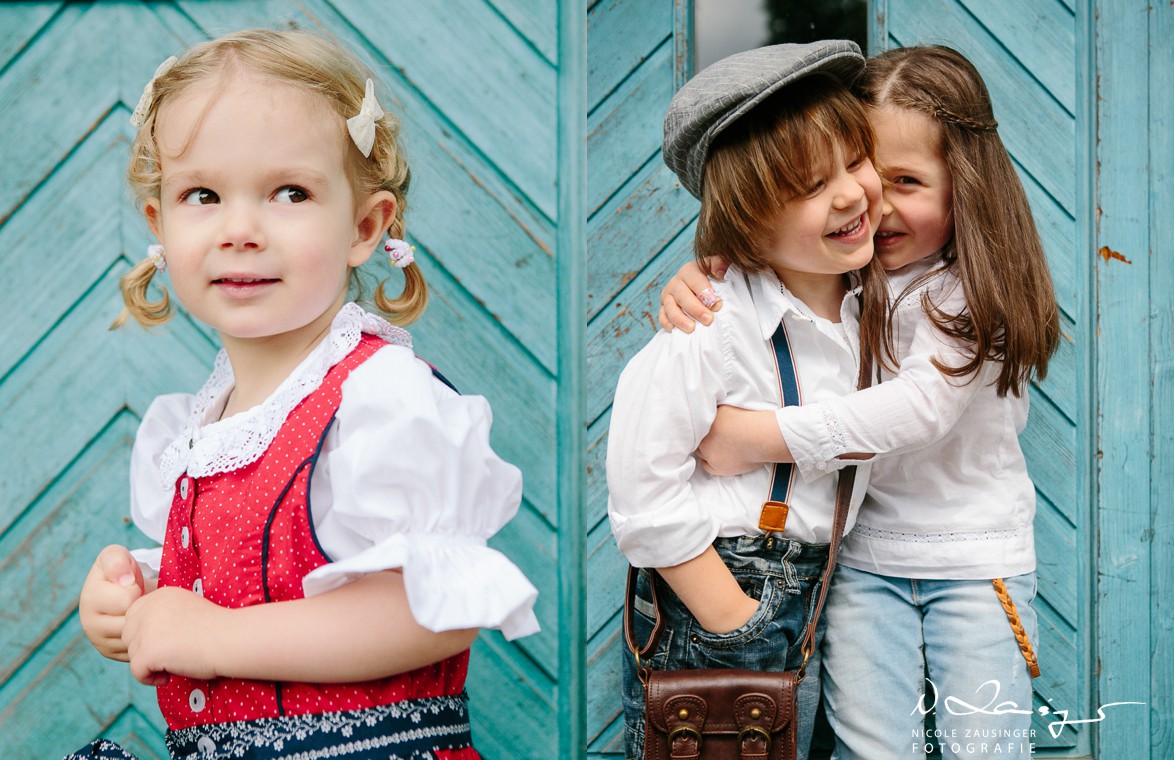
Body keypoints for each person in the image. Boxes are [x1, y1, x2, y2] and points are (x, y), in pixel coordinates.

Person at [71, 28, 538, 760]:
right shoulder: (196, 427)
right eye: (203, 195)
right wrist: (140, 597)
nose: (240, 230)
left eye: (290, 192)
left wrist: (212, 635)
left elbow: (429, 616)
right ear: (160, 225)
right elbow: (263, 574)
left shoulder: (380, 399)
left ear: (363, 227)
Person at [658, 45, 1059, 759]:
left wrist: (755, 437)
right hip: (862, 562)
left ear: (963, 184)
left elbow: (915, 411)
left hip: (974, 562)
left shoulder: (971, 291)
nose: (879, 203)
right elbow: (769, 268)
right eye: (876, 174)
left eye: (910, 181)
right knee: (872, 746)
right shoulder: (848, 271)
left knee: (985, 746)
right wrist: (702, 268)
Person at [606, 40, 889, 760]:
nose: (851, 193)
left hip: (824, 592)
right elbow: (643, 490)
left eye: (854, 161)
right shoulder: (712, 321)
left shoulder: (877, 301)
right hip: (731, 590)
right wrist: (733, 618)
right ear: (748, 224)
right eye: (809, 187)